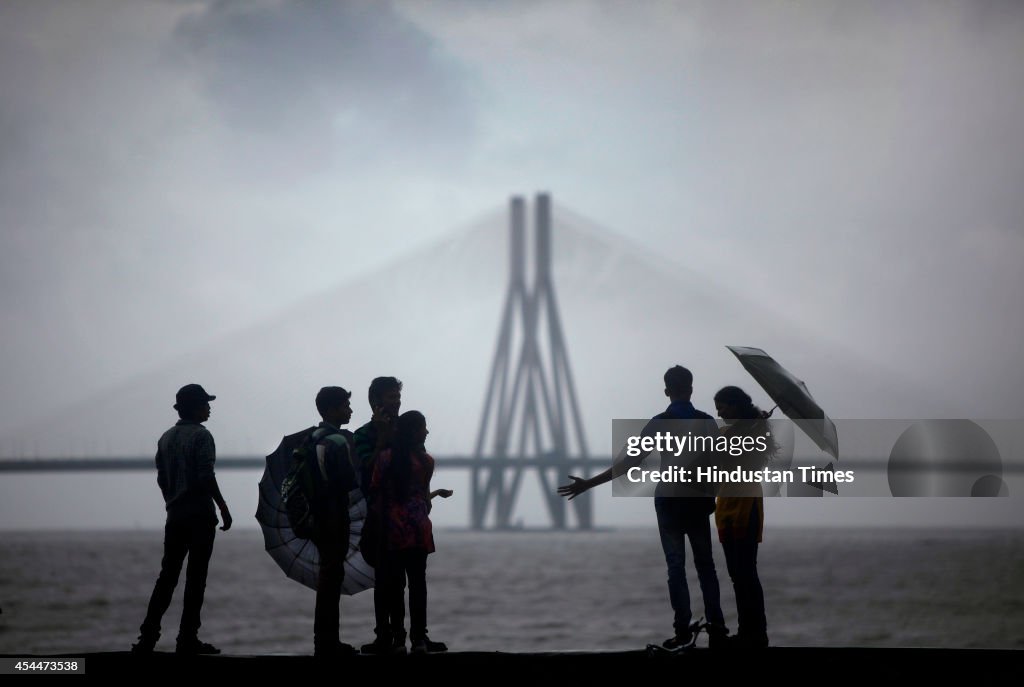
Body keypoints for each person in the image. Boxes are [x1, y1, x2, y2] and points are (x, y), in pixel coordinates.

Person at [558, 366, 728, 649]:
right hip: (698, 503)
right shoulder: (707, 422)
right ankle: (718, 628)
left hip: (669, 503)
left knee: (676, 567)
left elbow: (628, 464)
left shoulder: (660, 422)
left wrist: (588, 484)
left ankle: (682, 631)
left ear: (666, 391)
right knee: (706, 566)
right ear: (691, 388)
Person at [132, 383, 232, 655]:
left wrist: (172, 502)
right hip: (199, 515)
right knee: (196, 578)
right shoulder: (202, 436)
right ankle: (187, 639)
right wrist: (222, 505)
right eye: (205, 403)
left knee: (167, 577)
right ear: (194, 407)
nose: (209, 408)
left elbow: (162, 479)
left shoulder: (165, 438)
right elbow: (205, 475)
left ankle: (147, 639)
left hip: (174, 516)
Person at [370, 410, 452, 654]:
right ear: (414, 431)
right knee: (418, 585)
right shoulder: (426, 461)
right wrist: (433, 497)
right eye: (423, 427)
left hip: (393, 530)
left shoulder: (384, 458)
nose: (426, 431)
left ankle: (398, 640)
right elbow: (423, 500)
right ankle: (419, 639)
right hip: (418, 531)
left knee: (395, 586)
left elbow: (375, 490)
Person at [713, 385, 775, 649]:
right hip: (725, 505)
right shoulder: (729, 432)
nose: (720, 411)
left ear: (737, 405)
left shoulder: (758, 434)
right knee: (736, 574)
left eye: (724, 406)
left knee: (746, 572)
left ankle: (756, 633)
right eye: (718, 407)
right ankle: (745, 631)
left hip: (746, 507)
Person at [353, 377, 404, 655]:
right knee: (384, 577)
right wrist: (382, 441)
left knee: (400, 579)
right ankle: (384, 634)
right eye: (391, 397)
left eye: (397, 397)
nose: (396, 402)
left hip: (403, 515)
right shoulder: (362, 435)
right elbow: (365, 471)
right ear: (376, 402)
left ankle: (401, 635)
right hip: (378, 514)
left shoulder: (406, 432)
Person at [309, 386, 359, 657]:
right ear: (331, 409)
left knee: (325, 576)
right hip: (334, 515)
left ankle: (322, 640)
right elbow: (349, 480)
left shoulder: (312, 439)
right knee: (333, 576)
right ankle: (331, 642)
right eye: (345, 406)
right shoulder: (338, 442)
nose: (350, 410)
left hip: (317, 515)